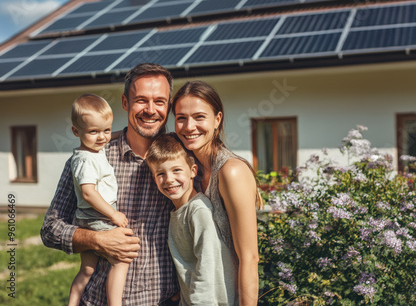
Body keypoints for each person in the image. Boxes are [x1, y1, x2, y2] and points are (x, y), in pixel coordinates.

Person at [41, 63, 180, 306]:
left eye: (159, 101)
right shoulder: (89, 159)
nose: (150, 110)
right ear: (125, 103)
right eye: (141, 100)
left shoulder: (182, 160)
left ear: (168, 106)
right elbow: (50, 229)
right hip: (98, 300)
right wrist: (98, 240)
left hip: (163, 300)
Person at [172, 80, 262, 305]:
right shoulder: (190, 167)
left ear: (217, 120)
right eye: (181, 118)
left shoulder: (231, 172)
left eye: (199, 117)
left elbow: (249, 258)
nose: (189, 126)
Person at [146, 133, 237, 305]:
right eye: (160, 174)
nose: (169, 180)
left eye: (176, 170)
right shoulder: (179, 212)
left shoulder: (198, 211)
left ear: (193, 171)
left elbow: (207, 267)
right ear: (154, 179)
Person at [68, 94, 129, 306]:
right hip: (98, 217)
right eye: (94, 131)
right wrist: (113, 214)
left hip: (85, 218)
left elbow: (103, 136)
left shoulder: (91, 149)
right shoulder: (86, 160)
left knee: (87, 269)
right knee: (121, 260)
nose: (102, 137)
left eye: (106, 130)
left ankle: (72, 303)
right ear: (76, 131)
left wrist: (122, 134)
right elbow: (88, 193)